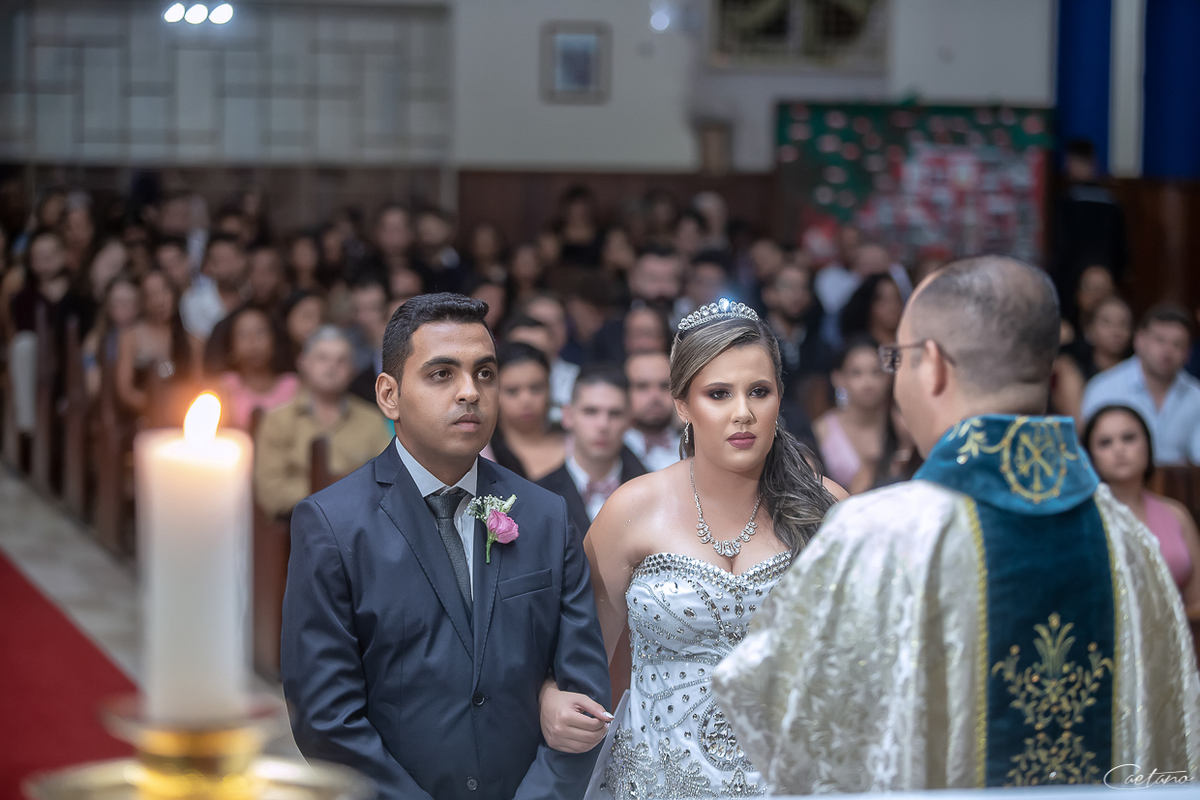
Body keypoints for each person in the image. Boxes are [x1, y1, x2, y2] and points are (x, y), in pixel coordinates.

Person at [714, 256, 1200, 791]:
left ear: (934, 367)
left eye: (898, 359)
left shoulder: (880, 535)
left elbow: (773, 711)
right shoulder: (1129, 542)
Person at [281, 293, 612, 800]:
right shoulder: (333, 524)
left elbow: (583, 695)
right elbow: (326, 719)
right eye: (442, 374)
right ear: (389, 395)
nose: (470, 392)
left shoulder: (545, 515)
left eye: (485, 373)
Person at [576, 299, 841, 797]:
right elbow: (580, 662)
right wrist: (554, 701)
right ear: (682, 404)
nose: (743, 413)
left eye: (759, 391)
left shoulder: (827, 509)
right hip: (655, 783)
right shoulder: (632, 510)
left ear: (779, 397)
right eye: (719, 393)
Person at [254, 326, 393, 519]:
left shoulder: (372, 419)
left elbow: (390, 483)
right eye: (322, 358)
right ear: (303, 362)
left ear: (353, 370)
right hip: (296, 524)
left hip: (360, 523)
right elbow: (271, 493)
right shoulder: (278, 420)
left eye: (341, 360)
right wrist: (337, 487)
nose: (332, 367)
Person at [1083, 405, 1200, 604]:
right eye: (1105, 442)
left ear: (1148, 444)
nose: (1119, 449)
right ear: (1090, 457)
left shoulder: (1177, 514)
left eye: (1129, 438)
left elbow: (1197, 601)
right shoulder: (1084, 520)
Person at [1081, 304, 1200, 464]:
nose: (1167, 351)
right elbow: (1090, 455)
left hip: (1178, 479)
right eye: (1160, 340)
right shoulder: (1104, 388)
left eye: (1177, 344)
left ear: (1188, 353)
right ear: (1139, 340)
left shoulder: (1196, 395)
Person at [536, 366, 646, 534]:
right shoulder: (539, 494)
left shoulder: (651, 489)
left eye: (615, 413)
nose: (603, 425)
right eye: (590, 411)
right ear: (568, 416)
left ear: (629, 420)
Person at [1051, 139, 1128, 327]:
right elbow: (1121, 245)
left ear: (1070, 162)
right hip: (1106, 268)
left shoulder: (1066, 198)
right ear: (1094, 163)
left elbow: (1061, 243)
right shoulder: (1110, 198)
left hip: (1072, 275)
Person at [115, 270, 200, 421]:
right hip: (144, 417)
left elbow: (199, 384)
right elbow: (125, 391)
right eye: (151, 295)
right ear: (143, 302)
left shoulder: (192, 341)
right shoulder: (130, 338)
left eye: (164, 291)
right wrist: (156, 408)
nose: (159, 301)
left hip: (183, 417)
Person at [813, 336, 892, 494]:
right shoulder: (822, 430)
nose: (868, 382)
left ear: (887, 377)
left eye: (876, 372)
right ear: (838, 378)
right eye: (857, 373)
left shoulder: (900, 424)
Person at [487, 342, 566, 481]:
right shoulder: (482, 454)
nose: (526, 400)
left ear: (549, 388)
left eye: (536, 388)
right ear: (494, 394)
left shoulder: (575, 446)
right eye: (512, 391)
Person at [215, 306, 298, 430]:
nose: (252, 342)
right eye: (243, 335)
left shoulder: (293, 385)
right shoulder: (225, 386)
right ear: (231, 345)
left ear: (275, 340)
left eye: (260, 332)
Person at [180, 234, 247, 341]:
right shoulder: (193, 300)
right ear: (209, 266)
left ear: (244, 259)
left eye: (233, 258)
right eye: (221, 260)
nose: (228, 267)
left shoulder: (253, 293)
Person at [622, 352, 680, 472]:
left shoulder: (697, 446)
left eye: (665, 386)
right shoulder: (608, 448)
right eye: (642, 386)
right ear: (623, 392)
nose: (655, 396)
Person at [838, 272, 903, 345]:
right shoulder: (861, 347)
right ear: (868, 303)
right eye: (882, 300)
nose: (892, 306)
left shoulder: (908, 342)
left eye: (897, 298)